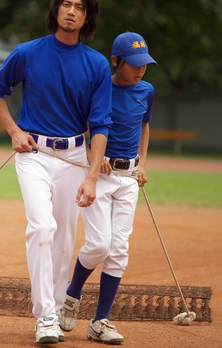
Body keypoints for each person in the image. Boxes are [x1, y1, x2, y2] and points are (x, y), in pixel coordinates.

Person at [0, 0, 112, 345]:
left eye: (80, 7)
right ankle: (44, 318)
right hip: (33, 155)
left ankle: (56, 310)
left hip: (73, 157)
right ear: (56, 9)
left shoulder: (97, 64)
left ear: (87, 17)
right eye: (67, 4)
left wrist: (90, 176)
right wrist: (13, 130)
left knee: (64, 239)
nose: (72, 11)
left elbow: (101, 124)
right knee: (42, 228)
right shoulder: (27, 52)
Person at [58, 31, 157, 345]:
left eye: (144, 64)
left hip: (128, 180)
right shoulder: (100, 88)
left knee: (119, 251)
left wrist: (142, 163)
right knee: (100, 245)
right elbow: (82, 127)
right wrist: (91, 156)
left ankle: (100, 321)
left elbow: (145, 126)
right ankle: (71, 295)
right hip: (99, 177)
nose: (140, 70)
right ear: (116, 61)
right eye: (133, 64)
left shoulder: (147, 90)